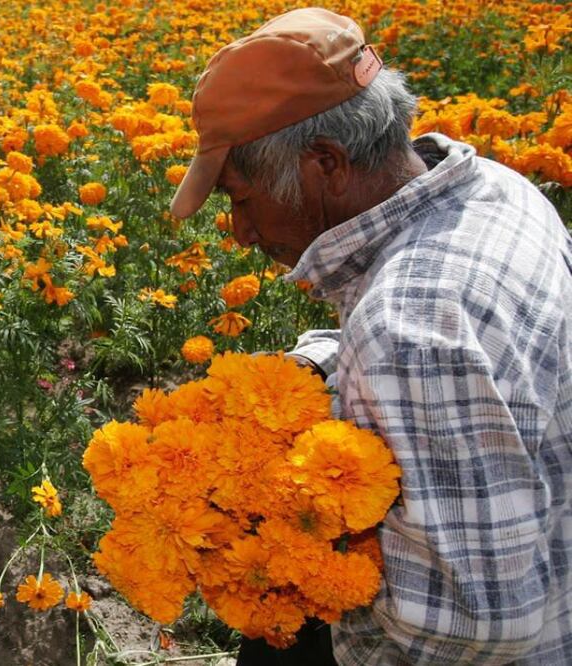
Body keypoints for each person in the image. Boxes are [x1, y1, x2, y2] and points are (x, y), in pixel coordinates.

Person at [171, 7, 572, 666]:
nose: (241, 232)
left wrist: (300, 559)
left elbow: (479, 626)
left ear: (325, 162)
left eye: (241, 200)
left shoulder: (409, 330)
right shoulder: (494, 190)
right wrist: (315, 371)